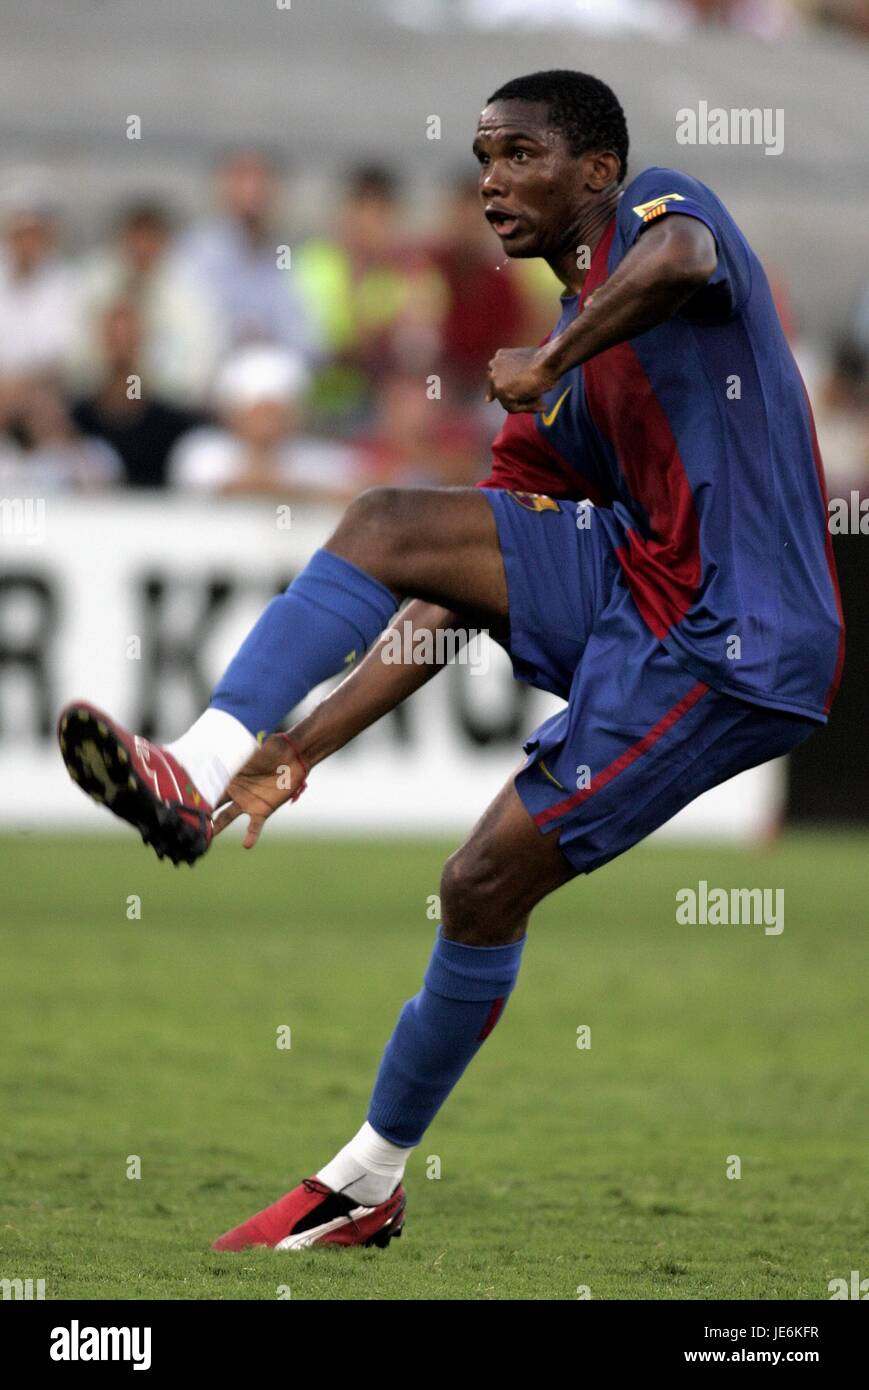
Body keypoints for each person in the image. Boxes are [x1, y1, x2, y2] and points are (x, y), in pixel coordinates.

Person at [58, 69, 844, 1252]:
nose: (491, 180)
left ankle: (363, 1175)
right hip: (644, 597)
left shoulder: (669, 221)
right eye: (482, 156)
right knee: (394, 545)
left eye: (519, 153)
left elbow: (679, 263)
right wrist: (301, 745)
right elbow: (446, 594)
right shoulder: (556, 398)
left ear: (596, 172)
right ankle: (205, 774)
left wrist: (550, 352)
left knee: (479, 870)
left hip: (741, 638)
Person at [168, 345, 363, 500]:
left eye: (276, 413)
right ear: (234, 415)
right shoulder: (201, 453)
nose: (267, 424)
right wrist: (307, 491)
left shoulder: (324, 460)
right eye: (258, 413)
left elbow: (357, 491)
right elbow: (229, 488)